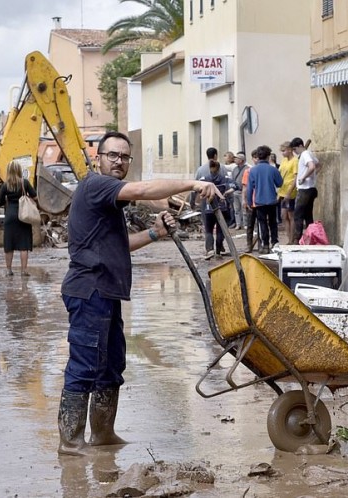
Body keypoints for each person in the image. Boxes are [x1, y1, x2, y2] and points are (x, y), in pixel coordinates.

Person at [57, 131, 222, 456]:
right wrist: (192, 183)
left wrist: (154, 232)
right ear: (98, 158)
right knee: (85, 365)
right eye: (112, 155)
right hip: (89, 291)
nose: (118, 161)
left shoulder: (109, 202)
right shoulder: (96, 185)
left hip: (106, 294)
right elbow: (144, 189)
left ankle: (103, 435)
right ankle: (70, 443)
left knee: (110, 366)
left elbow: (121, 245)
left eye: (124, 157)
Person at [0, 160, 38, 276]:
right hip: (23, 215)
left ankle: (8, 270)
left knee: (9, 244)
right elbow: (35, 197)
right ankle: (24, 270)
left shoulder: (5, 185)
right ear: (19, 170)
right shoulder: (24, 183)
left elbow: (0, 202)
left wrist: (7, 199)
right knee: (23, 245)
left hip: (10, 215)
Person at [246, 145, 283, 254]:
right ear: (268, 157)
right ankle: (275, 242)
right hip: (272, 200)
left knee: (262, 224)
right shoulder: (273, 169)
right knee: (273, 222)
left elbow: (249, 188)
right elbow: (280, 183)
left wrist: (249, 202)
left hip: (259, 201)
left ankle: (265, 245)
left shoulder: (253, 171)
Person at [198, 159, 231, 259]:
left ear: (210, 168)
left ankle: (210, 249)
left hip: (209, 208)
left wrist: (194, 202)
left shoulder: (204, 179)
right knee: (220, 229)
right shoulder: (224, 178)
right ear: (219, 169)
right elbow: (235, 186)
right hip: (222, 207)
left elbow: (196, 191)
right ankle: (219, 248)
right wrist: (226, 194)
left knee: (209, 229)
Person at [290, 137, 319, 242]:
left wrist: (304, 177)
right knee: (308, 216)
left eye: (294, 149)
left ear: (300, 146)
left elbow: (312, 167)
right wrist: (313, 177)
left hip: (304, 189)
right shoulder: (309, 153)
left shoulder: (305, 154)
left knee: (298, 215)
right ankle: (310, 239)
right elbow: (317, 165)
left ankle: (296, 240)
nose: (294, 152)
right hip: (311, 188)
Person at [277, 141, 298, 244]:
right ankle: (289, 237)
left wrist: (289, 192)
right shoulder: (284, 160)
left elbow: (295, 177)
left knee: (291, 215)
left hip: (291, 191)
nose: (282, 153)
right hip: (282, 191)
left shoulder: (295, 161)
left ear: (290, 150)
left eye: (284, 150)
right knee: (283, 216)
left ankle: (292, 239)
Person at [243, 148, 260, 252]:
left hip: (260, 201)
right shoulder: (248, 171)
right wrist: (244, 200)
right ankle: (249, 244)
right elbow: (244, 187)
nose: (256, 159)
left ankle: (261, 244)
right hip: (251, 201)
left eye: (258, 157)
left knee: (261, 225)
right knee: (250, 225)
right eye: (255, 158)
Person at [230, 152, 249, 230]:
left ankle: (246, 224)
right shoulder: (234, 169)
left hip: (243, 191)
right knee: (236, 209)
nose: (235, 159)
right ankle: (238, 224)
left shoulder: (247, 169)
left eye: (237, 158)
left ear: (241, 160)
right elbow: (232, 179)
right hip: (235, 191)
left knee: (244, 209)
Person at [222, 151, 236, 227]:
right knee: (227, 206)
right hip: (226, 188)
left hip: (232, 188)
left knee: (232, 206)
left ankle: (232, 221)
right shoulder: (225, 166)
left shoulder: (233, 166)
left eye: (226, 156)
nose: (225, 158)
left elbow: (223, 167)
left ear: (231, 157)